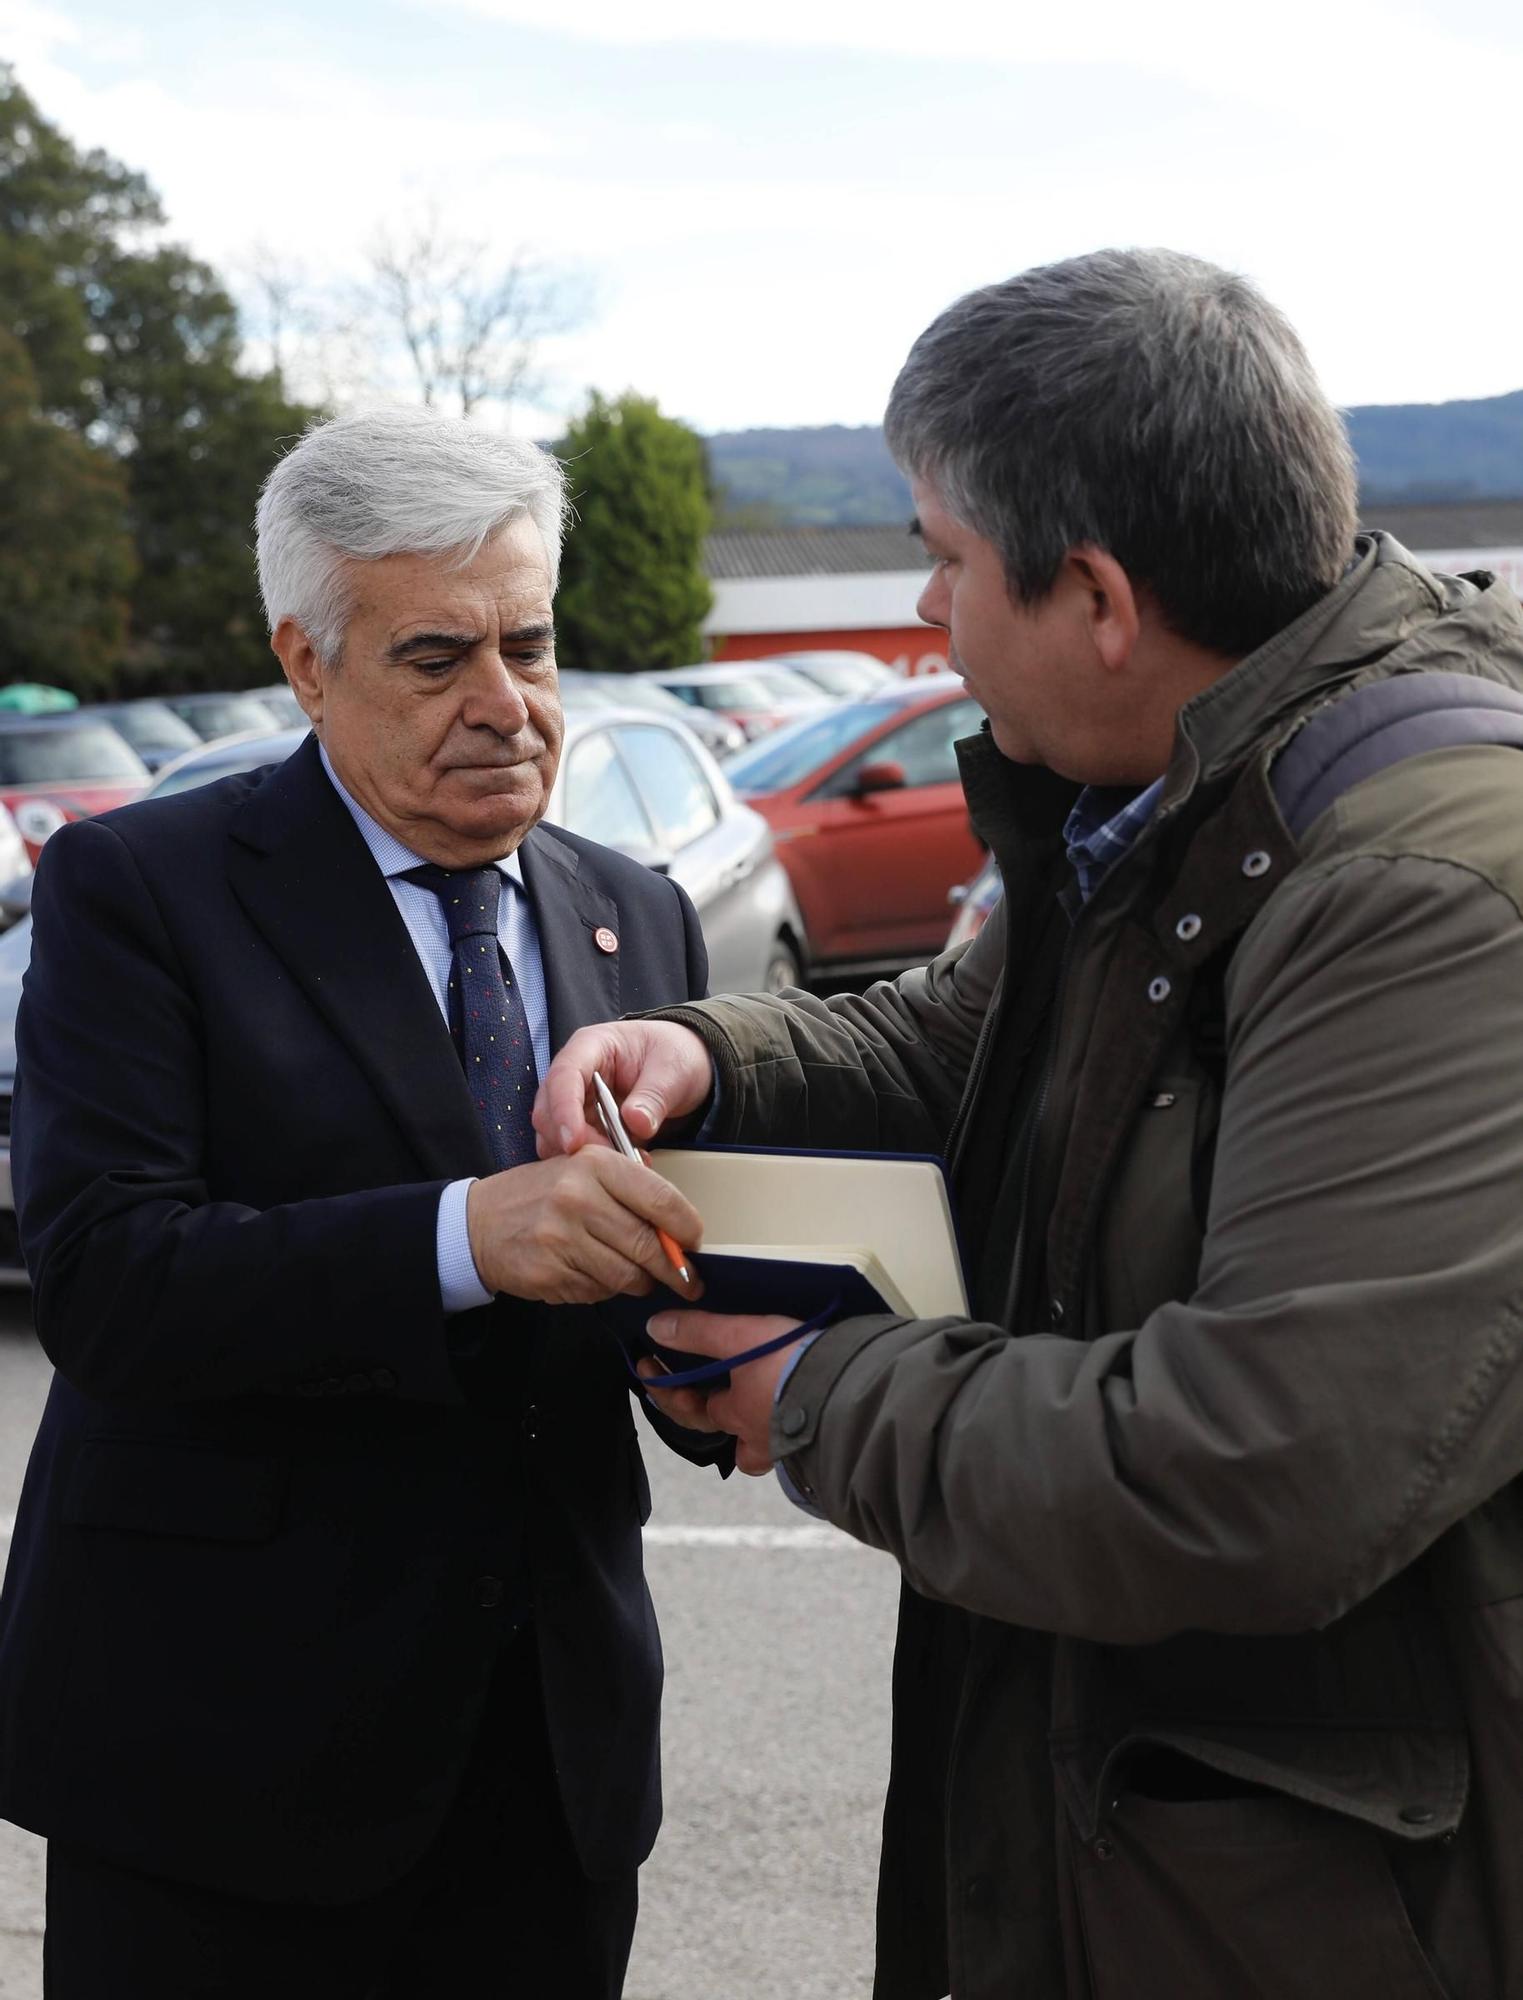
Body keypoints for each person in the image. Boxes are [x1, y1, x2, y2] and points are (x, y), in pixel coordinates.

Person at [538, 249, 1523, 1998]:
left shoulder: (1416, 887)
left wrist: (814, 1394)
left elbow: (1256, 1468)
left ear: (1098, 596)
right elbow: (957, 1044)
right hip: (1179, 1835)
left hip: (1339, 1900)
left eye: (945, 559)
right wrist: (713, 1054)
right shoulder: (1174, 786)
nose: (929, 612)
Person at [0, 406, 724, 2000]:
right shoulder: (142, 894)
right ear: (305, 665)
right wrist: (469, 1238)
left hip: (549, 1765)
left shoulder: (636, 915)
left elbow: (659, 1298)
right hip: (222, 1767)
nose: (504, 706)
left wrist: (732, 1358)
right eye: (433, 658)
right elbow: (111, 1281)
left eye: (527, 645)